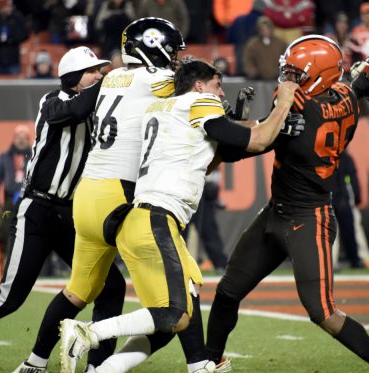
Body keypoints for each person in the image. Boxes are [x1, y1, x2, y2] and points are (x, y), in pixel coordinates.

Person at [58, 58, 300, 373]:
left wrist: (260, 124)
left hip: (144, 219)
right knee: (173, 314)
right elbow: (256, 140)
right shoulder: (198, 102)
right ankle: (89, 332)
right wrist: (282, 107)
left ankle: (119, 370)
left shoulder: (164, 109)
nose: (222, 95)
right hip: (155, 220)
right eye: (217, 86)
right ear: (199, 85)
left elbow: (212, 156)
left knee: (176, 313)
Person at [205, 37, 369, 373]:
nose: (288, 77)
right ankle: (208, 363)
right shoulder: (345, 100)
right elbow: (355, 86)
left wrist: (231, 124)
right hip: (277, 212)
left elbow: (242, 147)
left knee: (323, 312)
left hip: (309, 218)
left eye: (295, 72)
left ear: (314, 78)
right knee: (228, 291)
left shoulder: (301, 111)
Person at [0, 46, 126, 372]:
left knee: (111, 285)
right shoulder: (52, 100)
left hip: (71, 215)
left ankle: (98, 365)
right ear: (72, 77)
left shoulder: (96, 106)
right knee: (8, 298)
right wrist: (113, 81)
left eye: (101, 71)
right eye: (93, 71)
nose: (99, 75)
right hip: (37, 210)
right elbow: (72, 111)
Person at [0, 124, 31, 262]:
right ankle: (1, 264)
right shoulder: (5, 157)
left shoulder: (34, 156)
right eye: (18, 137)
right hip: (10, 200)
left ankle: (30, 264)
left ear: (28, 139)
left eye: (24, 137)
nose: (21, 140)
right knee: (3, 231)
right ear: (13, 139)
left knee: (31, 231)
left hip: (29, 198)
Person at [184, 169, 229, 274]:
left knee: (209, 231)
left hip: (203, 198)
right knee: (179, 232)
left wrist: (212, 187)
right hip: (183, 193)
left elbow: (214, 173)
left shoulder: (209, 155)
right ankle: (176, 263)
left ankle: (221, 264)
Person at [332, 150, 363, 269]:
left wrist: (356, 196)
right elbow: (352, 178)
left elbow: (351, 178)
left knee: (347, 233)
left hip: (340, 199)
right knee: (336, 234)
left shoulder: (344, 158)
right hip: (335, 199)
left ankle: (354, 260)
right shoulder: (344, 157)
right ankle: (336, 262)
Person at [242, 15, 287, 80]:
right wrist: (253, 73)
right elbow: (248, 61)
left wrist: (282, 73)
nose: (265, 31)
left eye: (267, 28)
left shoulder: (280, 43)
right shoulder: (252, 44)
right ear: (258, 30)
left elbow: (286, 59)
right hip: (258, 80)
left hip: (277, 79)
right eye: (262, 29)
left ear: (271, 29)